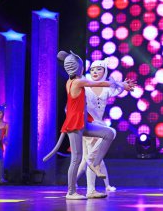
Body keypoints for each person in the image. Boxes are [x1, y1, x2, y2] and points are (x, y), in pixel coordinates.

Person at [56, 51, 135, 200]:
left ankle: (95, 165)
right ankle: (71, 191)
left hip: (84, 123)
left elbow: (106, 87)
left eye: (98, 69)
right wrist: (121, 84)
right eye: (88, 68)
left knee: (109, 133)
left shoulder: (76, 81)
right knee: (77, 158)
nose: (92, 71)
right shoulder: (78, 82)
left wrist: (122, 86)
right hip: (76, 124)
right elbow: (99, 83)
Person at [76, 58, 126, 198]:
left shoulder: (106, 88)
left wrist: (121, 84)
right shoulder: (85, 86)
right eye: (92, 69)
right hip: (87, 125)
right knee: (89, 159)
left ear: (105, 71)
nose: (95, 72)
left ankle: (96, 187)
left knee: (94, 158)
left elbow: (119, 89)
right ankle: (89, 188)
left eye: (99, 69)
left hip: (99, 125)